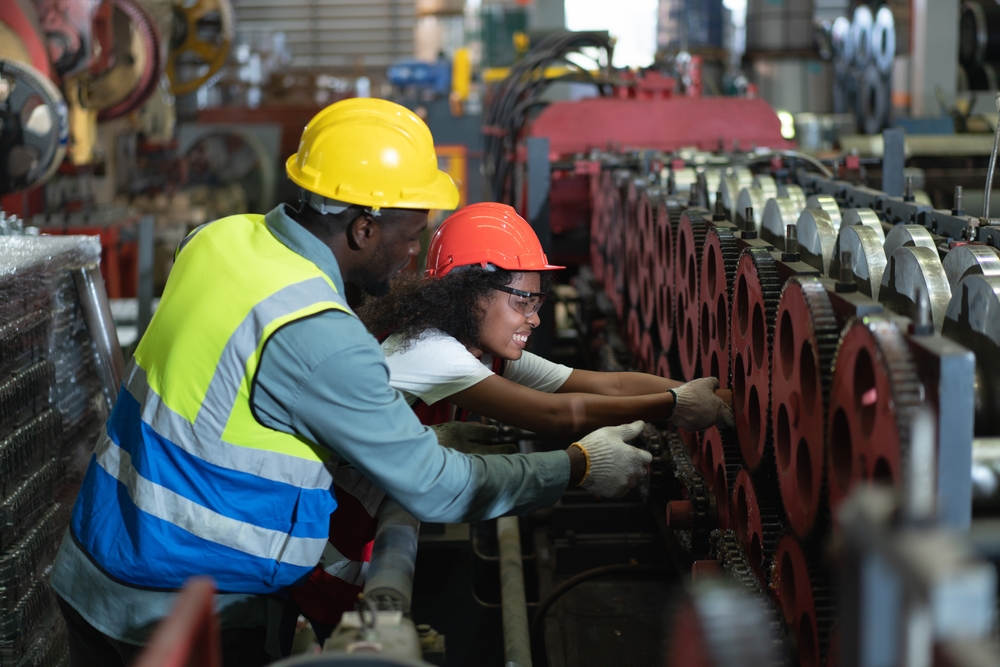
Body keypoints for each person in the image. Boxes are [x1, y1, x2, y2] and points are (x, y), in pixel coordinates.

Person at [49, 99, 651, 667]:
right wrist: (578, 467)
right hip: (182, 605)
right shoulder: (323, 337)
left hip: (94, 564)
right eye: (411, 235)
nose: (413, 255)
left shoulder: (218, 240)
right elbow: (439, 491)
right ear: (364, 228)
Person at [290, 201, 734, 639]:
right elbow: (559, 415)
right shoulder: (430, 349)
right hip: (328, 555)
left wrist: (698, 392)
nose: (535, 317)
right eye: (523, 301)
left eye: (538, 301)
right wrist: (672, 405)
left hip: (353, 550)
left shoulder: (473, 345)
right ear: (469, 292)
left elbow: (602, 385)